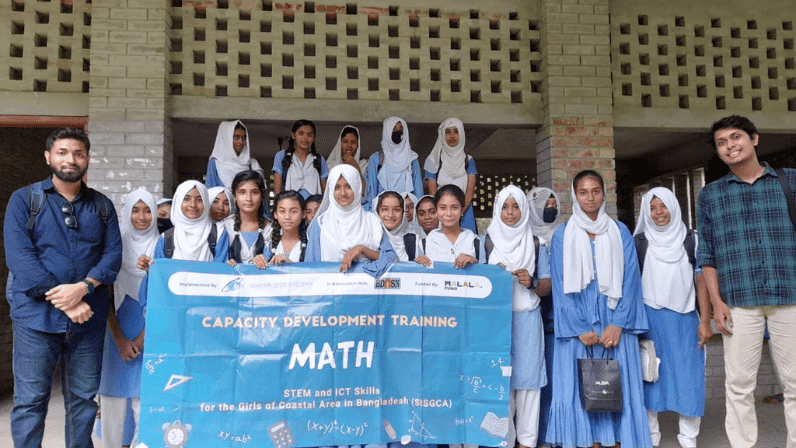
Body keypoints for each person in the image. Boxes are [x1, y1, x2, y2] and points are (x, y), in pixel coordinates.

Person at [4, 127, 123, 448]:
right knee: (30, 402)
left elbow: (112, 256)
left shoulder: (102, 206)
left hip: (89, 320)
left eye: (78, 153)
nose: (70, 159)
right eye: (62, 152)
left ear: (87, 159)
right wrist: (68, 301)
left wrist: (83, 287)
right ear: (48, 157)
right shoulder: (24, 200)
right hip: (35, 320)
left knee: (83, 400)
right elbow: (21, 260)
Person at [697, 115, 796, 448]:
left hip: (790, 295)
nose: (729, 146)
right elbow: (706, 254)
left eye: (735, 138)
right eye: (722, 143)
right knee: (739, 385)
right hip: (738, 300)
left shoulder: (790, 182)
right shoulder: (711, 195)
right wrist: (717, 303)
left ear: (754, 139)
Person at [545, 170, 652, 448]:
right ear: (574, 196)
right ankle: (585, 439)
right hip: (576, 322)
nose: (590, 198)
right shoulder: (563, 235)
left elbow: (631, 281)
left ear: (604, 194)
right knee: (579, 385)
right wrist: (580, 327)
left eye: (595, 191)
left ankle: (618, 438)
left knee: (617, 383)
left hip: (615, 321)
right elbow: (559, 285)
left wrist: (617, 323)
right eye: (583, 192)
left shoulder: (620, 231)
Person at [634, 187, 709, 448]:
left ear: (673, 207)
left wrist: (705, 320)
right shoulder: (641, 242)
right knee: (650, 376)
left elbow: (702, 282)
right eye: (652, 208)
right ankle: (651, 436)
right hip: (650, 320)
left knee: (689, 379)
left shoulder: (692, 239)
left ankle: (688, 438)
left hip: (686, 319)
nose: (658, 213)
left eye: (663, 206)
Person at [484, 185, 551, 448]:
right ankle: (504, 441)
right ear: (497, 209)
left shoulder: (536, 242)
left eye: (516, 207)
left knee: (529, 385)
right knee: (501, 383)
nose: (510, 213)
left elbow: (547, 286)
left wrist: (530, 281)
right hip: (496, 322)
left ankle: (526, 442)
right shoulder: (486, 240)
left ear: (524, 210)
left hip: (527, 318)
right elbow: (477, 281)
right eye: (505, 207)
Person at [98, 189, 158, 448]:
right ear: (127, 212)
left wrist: (142, 339)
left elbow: (165, 295)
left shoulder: (164, 245)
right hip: (116, 328)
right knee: (114, 394)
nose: (142, 216)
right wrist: (121, 339)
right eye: (135, 209)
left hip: (152, 328)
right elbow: (105, 294)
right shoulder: (115, 245)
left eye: (147, 210)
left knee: (146, 398)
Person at [305, 164, 396, 277]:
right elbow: (309, 268)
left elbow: (393, 260)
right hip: (331, 292)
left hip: (366, 291)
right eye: (337, 187)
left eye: (348, 186)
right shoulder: (321, 224)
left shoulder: (371, 221)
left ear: (357, 187)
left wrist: (362, 250)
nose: (343, 193)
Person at [526, 187, 562, 448]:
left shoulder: (564, 236)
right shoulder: (525, 238)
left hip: (563, 319)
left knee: (560, 379)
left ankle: (561, 434)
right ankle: (542, 435)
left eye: (553, 203)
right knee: (539, 382)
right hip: (536, 316)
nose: (550, 207)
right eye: (544, 204)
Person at [138, 180, 230, 270]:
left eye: (199, 199)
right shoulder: (165, 238)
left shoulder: (219, 234)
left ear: (206, 202)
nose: (193, 205)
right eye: (186, 199)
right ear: (178, 202)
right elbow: (160, 274)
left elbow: (222, 272)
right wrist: (150, 269)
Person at [424, 118, 478, 233]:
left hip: (465, 210)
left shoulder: (468, 160)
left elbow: (470, 190)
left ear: (462, 134)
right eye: (447, 132)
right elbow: (433, 193)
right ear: (442, 135)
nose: (452, 136)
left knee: (467, 244)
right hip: (442, 213)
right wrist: (446, 212)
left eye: (456, 131)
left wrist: (459, 211)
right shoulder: (432, 160)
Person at [415, 184, 481, 269]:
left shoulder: (475, 241)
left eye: (454, 207)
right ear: (436, 210)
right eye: (443, 208)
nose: (449, 213)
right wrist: (419, 263)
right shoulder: (424, 244)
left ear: (462, 210)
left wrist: (474, 262)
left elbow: (486, 276)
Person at [365, 117, 424, 209]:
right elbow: (372, 193)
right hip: (382, 213)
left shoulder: (412, 159)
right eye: (393, 129)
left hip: (407, 212)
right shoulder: (376, 159)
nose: (397, 132)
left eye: (401, 129)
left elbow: (419, 193)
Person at [223, 171, 272, 269]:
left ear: (262, 196)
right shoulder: (224, 227)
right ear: (234, 196)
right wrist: (226, 264)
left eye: (255, 192)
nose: (248, 198)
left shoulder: (272, 229)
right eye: (242, 192)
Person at [272, 119, 328, 199]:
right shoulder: (282, 156)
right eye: (301, 133)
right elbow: (277, 190)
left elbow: (326, 190)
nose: (305, 138)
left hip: (313, 207)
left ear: (313, 138)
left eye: (310, 135)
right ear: (294, 135)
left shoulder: (319, 159)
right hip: (290, 205)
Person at [205, 120, 265, 190]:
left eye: (243, 138)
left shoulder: (252, 164)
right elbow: (211, 193)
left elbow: (259, 193)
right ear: (226, 139)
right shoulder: (215, 164)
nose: (241, 142)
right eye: (237, 137)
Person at [266, 190, 309, 264]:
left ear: (303, 213)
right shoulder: (270, 246)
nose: (287, 217)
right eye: (282, 211)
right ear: (275, 214)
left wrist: (290, 265)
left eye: (293, 211)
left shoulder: (309, 244)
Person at [327, 125, 368, 193]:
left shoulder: (364, 165)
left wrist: (355, 166)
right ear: (340, 143)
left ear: (358, 145)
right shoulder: (330, 165)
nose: (349, 146)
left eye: (353, 142)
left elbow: (365, 192)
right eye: (345, 141)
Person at [373, 190, 410, 261]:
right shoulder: (370, 240)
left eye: (396, 210)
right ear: (377, 212)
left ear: (403, 213)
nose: (390, 215)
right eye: (385, 209)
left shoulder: (414, 241)